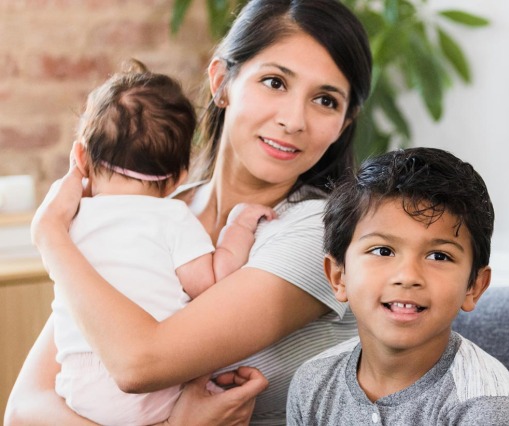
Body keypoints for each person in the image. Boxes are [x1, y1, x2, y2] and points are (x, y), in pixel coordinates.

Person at [4, 0, 372, 425]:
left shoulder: (320, 234)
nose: (293, 120)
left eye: (325, 100)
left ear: (344, 122)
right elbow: (24, 408)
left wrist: (51, 236)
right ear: (221, 82)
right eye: (274, 82)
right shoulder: (155, 212)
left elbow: (139, 365)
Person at [50, 60, 276, 425]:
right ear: (178, 178)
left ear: (79, 157)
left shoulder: (71, 221)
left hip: (75, 393)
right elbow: (209, 282)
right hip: (149, 399)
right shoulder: (172, 216)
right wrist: (240, 225)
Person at [286, 147, 509, 425]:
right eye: (383, 251)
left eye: (438, 256)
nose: (407, 276)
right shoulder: (313, 382)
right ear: (338, 276)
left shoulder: (485, 409)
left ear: (474, 287)